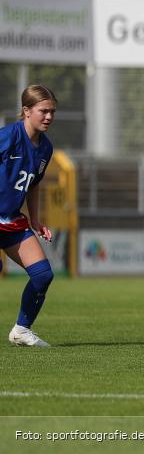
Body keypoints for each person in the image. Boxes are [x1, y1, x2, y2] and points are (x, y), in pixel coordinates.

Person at [1, 86, 57, 347]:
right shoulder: (8, 137)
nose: (48, 116)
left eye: (52, 111)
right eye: (43, 111)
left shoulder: (45, 149)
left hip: (11, 220)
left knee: (43, 274)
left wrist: (35, 220)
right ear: (26, 111)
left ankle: (21, 330)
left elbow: (33, 185)